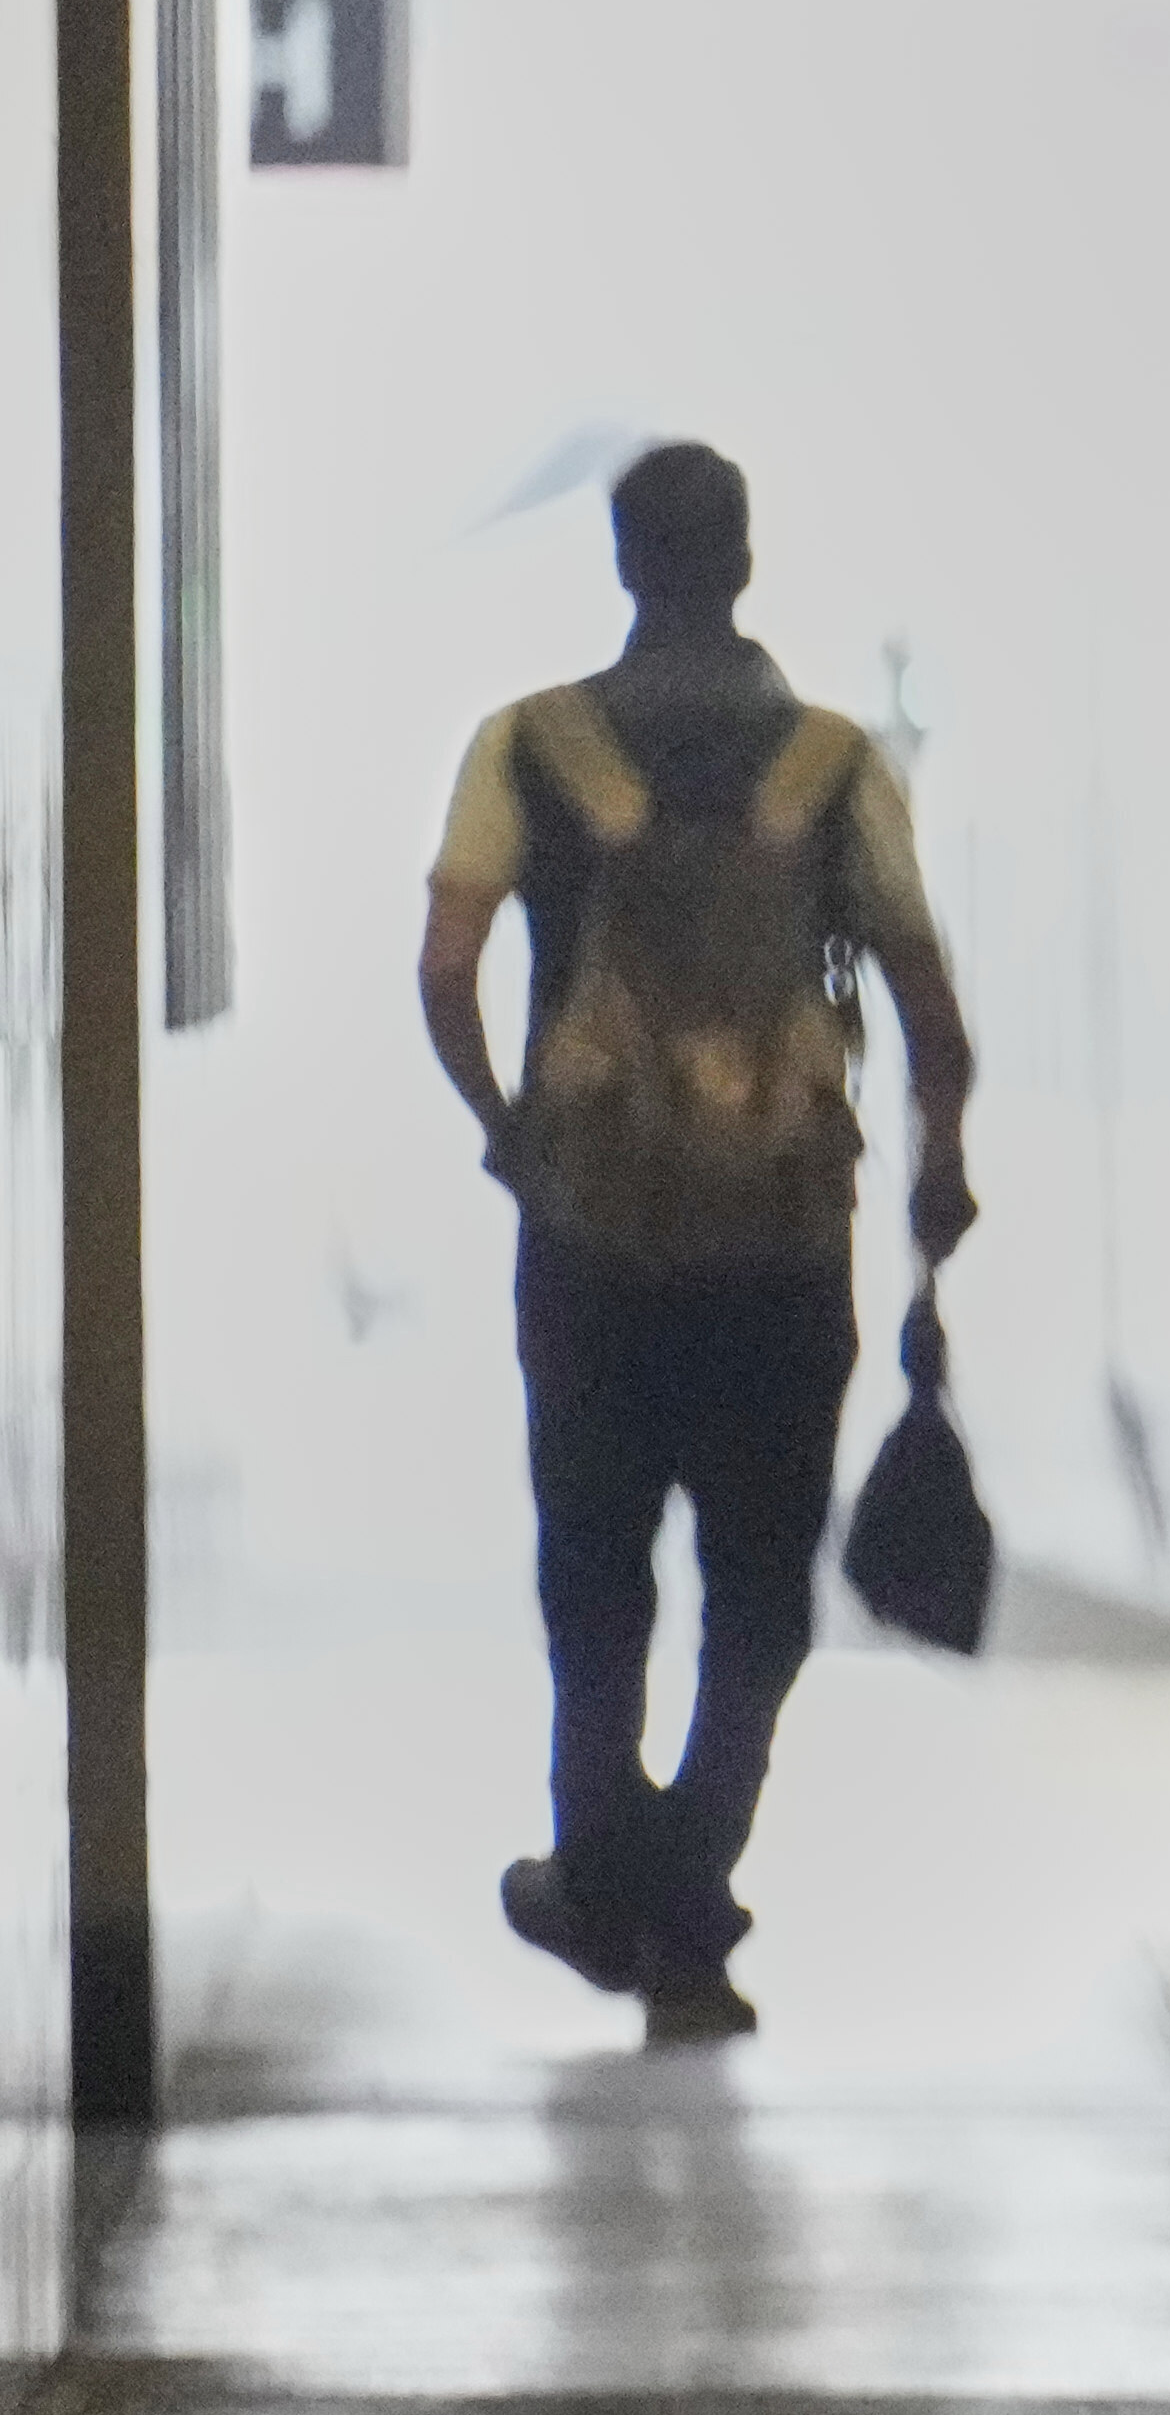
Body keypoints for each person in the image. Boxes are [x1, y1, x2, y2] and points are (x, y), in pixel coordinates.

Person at [414, 442, 971, 2047]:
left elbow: (446, 966)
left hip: (590, 1244)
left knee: (592, 1583)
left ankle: (604, 1874)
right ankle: (685, 1896)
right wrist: (944, 1172)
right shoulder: (835, 766)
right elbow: (931, 1012)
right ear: (743, 563)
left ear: (621, 564)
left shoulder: (529, 748)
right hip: (786, 1248)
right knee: (759, 1594)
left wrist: (507, 1122)